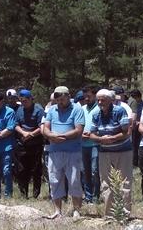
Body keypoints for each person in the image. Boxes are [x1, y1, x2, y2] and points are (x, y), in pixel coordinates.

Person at [86, 88, 134, 217]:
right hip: (104, 151)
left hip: (123, 151)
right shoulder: (96, 114)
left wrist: (112, 138)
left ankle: (124, 214)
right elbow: (91, 134)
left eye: (103, 100)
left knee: (124, 182)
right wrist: (100, 139)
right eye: (98, 100)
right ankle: (109, 214)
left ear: (110, 100)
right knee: (106, 183)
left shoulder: (119, 111)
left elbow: (126, 132)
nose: (100, 102)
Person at [42, 86, 85, 219]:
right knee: (54, 180)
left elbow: (78, 130)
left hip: (73, 151)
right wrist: (50, 135)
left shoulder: (77, 109)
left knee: (74, 181)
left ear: (68, 96)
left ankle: (76, 210)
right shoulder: (52, 110)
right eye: (58, 100)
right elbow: (45, 128)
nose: (60, 102)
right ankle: (57, 211)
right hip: (54, 151)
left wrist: (63, 137)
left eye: (62, 99)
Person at [14, 89, 46, 199]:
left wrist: (31, 134)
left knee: (36, 169)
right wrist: (23, 133)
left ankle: (36, 194)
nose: (23, 102)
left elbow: (41, 126)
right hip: (22, 143)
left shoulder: (39, 109)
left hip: (35, 143)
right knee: (22, 169)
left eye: (25, 100)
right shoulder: (19, 109)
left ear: (31, 99)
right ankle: (23, 193)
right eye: (22, 100)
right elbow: (16, 124)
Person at [79, 87, 100, 203]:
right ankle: (88, 196)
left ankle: (96, 196)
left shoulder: (99, 109)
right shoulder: (81, 109)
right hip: (83, 144)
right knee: (84, 171)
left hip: (95, 144)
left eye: (89, 96)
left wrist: (93, 133)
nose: (86, 98)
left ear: (95, 96)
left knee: (94, 171)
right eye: (85, 96)